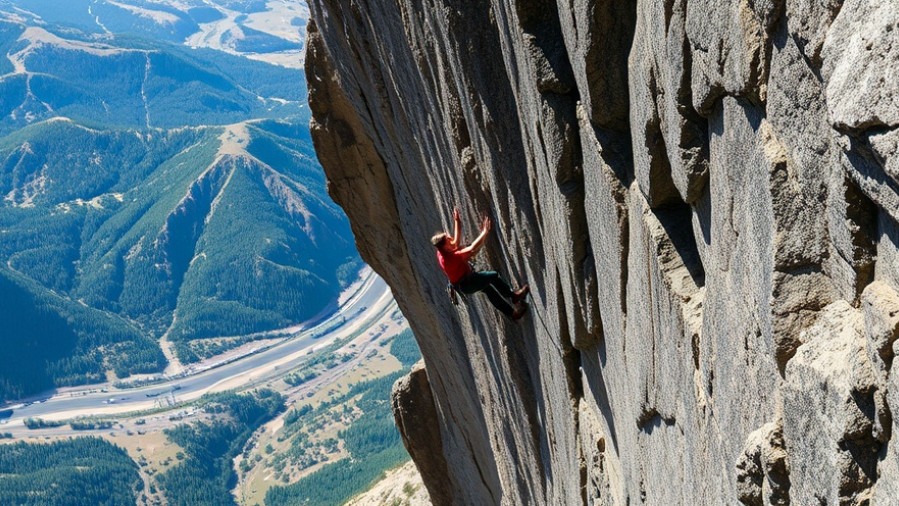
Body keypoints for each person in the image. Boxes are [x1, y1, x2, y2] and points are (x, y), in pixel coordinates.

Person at [432, 208, 529, 320]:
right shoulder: (451, 258)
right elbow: (472, 248)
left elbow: (455, 243)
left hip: (464, 282)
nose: (450, 238)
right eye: (448, 239)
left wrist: (457, 221)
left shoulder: (441, 251)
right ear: (445, 246)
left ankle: (513, 314)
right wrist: (484, 232)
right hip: (468, 283)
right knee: (493, 276)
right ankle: (513, 296)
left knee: (488, 289)